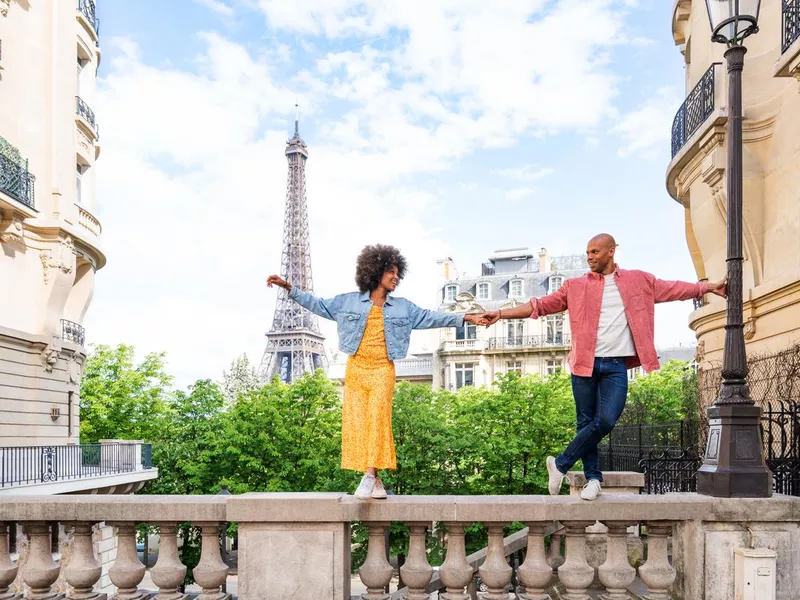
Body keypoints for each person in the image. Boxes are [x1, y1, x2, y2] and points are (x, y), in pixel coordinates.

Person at [480, 234, 726, 501]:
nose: (590, 257)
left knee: (606, 420)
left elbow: (675, 289)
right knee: (585, 423)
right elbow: (540, 305)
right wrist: (501, 314)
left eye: (595, 251)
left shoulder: (639, 280)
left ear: (611, 251)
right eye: (587, 252)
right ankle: (593, 479)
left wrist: (709, 288)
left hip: (616, 365)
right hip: (584, 364)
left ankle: (560, 464)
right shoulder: (575, 286)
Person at [267, 244, 483, 500]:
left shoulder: (403, 307)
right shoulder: (347, 301)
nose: (396, 277)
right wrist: (289, 288)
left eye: (397, 273)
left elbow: (431, 317)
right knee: (359, 422)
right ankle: (377, 481)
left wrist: (466, 318)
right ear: (376, 271)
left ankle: (369, 475)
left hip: (382, 368)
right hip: (356, 367)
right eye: (391, 272)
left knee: (378, 419)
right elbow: (317, 304)